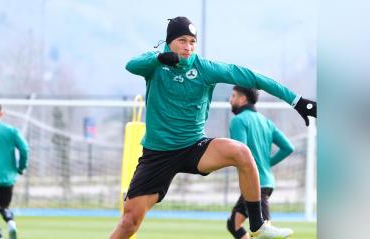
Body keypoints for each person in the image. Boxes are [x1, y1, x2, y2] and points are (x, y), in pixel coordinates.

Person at [109, 16, 316, 239]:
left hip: (194, 147)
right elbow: (131, 65)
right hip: (157, 155)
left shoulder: (206, 69)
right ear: (169, 42)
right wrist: (160, 59)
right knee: (129, 222)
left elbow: (254, 78)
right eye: (182, 40)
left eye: (192, 41)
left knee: (242, 153)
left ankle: (257, 225)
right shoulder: (155, 64)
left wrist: (297, 101)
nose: (188, 47)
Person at [226, 86, 295, 239]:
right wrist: (267, 164)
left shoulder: (238, 121)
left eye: (233, 96)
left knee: (265, 233)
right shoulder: (266, 122)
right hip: (266, 181)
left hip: (256, 183)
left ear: (243, 99)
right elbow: (288, 147)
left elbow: (239, 152)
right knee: (234, 224)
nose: (230, 100)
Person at [0, 103, 29, 239]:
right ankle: (11, 222)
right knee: (3, 206)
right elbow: (25, 149)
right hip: (7, 179)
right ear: (1, 114)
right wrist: (21, 167)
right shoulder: (12, 131)